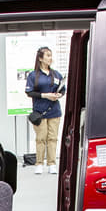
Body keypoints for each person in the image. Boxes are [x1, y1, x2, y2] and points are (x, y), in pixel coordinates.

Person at [24, 46, 64, 174]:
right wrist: (45, 95)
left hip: (54, 111)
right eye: (47, 55)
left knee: (53, 138)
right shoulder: (33, 75)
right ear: (40, 58)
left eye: (51, 55)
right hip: (40, 112)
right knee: (41, 138)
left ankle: (52, 163)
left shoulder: (56, 74)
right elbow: (29, 92)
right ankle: (39, 163)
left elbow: (63, 89)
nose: (50, 58)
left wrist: (59, 95)